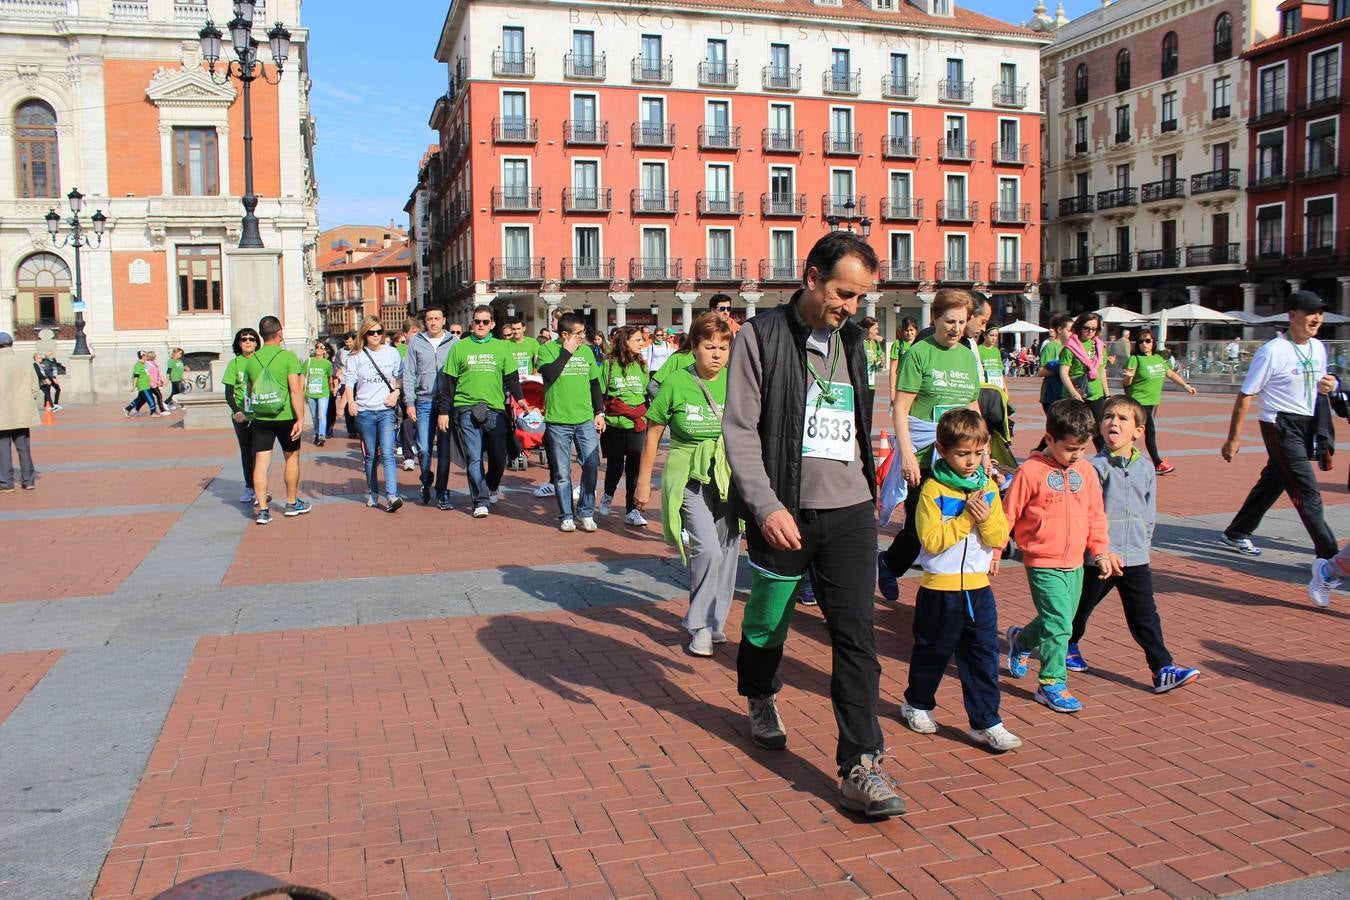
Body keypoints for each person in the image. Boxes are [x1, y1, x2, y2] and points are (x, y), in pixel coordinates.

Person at [723, 231, 905, 818]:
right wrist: (766, 505)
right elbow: (741, 431)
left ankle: (861, 764)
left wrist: (873, 495)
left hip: (849, 511)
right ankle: (758, 692)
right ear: (811, 277)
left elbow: (852, 421)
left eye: (860, 298)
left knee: (857, 636)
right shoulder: (759, 337)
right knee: (767, 626)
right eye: (843, 293)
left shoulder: (852, 341)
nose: (851, 308)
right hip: (784, 510)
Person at [899, 409, 1020, 752]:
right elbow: (932, 539)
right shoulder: (932, 490)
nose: (972, 462)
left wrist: (983, 521)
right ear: (942, 449)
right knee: (933, 652)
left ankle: (987, 722)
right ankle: (917, 703)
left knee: (982, 655)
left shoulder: (988, 487)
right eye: (963, 454)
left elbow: (999, 535)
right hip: (940, 589)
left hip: (979, 589)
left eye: (978, 453)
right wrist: (967, 519)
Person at [1068, 396, 1201, 692]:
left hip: (1135, 556)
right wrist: (1098, 551)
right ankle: (1050, 641)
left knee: (1144, 615)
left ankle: (1161, 668)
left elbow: (1149, 510)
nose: (1113, 422)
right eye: (1108, 417)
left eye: (1122, 419)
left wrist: (1145, 544)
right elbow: (1088, 514)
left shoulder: (1145, 468)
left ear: (1139, 431)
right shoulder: (1092, 467)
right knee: (1077, 608)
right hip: (1101, 557)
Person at [1002, 399, 1119, 713]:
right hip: (1042, 559)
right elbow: (1008, 513)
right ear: (1049, 438)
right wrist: (995, 547)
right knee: (1059, 624)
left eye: (1081, 449)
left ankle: (1022, 641)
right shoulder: (1031, 471)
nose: (1075, 455)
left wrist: (1101, 551)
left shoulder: (1086, 471)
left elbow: (1096, 514)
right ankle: (1051, 682)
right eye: (1069, 449)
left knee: (1060, 619)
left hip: (1076, 560)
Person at [636, 311, 737, 656]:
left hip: (726, 474)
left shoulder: (737, 380)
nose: (716, 354)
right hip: (687, 475)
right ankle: (699, 625)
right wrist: (643, 484)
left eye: (723, 347)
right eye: (709, 346)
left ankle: (714, 622)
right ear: (694, 346)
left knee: (726, 551)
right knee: (707, 548)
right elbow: (652, 435)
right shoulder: (677, 382)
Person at [877, 290, 982, 604]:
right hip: (924, 453)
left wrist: (983, 450)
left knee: (956, 519)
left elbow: (972, 403)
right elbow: (901, 408)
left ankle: (946, 589)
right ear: (935, 317)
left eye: (962, 322)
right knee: (919, 525)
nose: (955, 329)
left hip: (960, 454)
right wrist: (907, 454)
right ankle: (889, 564)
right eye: (950, 321)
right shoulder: (920, 352)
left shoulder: (966, 355)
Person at [1221, 290, 1338, 561]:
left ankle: (1238, 531)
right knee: (1305, 488)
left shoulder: (1318, 347)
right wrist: (1233, 438)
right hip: (1279, 424)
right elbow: (1246, 394)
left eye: (1319, 313)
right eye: (1310, 312)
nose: (1316, 318)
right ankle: (1330, 557)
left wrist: (1329, 385)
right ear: (1292, 316)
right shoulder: (1273, 351)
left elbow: (1320, 382)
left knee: (1275, 479)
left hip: (1306, 422)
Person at [436, 304, 523, 519]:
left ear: (492, 324)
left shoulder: (502, 347)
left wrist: (520, 399)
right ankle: (480, 500)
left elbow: (511, 379)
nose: (481, 325)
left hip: (495, 409)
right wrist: (444, 411)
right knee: (474, 457)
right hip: (465, 408)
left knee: (498, 457)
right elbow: (449, 384)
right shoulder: (459, 347)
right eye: (477, 321)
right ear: (472, 323)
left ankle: (491, 485)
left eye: (485, 321)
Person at [538, 312, 605, 532]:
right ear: (565, 334)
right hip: (558, 421)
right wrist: (567, 352)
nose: (582, 337)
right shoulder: (547, 349)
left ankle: (585, 511)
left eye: (583, 332)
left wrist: (599, 411)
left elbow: (595, 383)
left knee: (592, 463)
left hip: (584, 419)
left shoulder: (586, 351)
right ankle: (566, 515)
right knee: (562, 472)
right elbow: (549, 374)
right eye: (578, 334)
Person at [243, 315, 312, 524]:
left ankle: (263, 510)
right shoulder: (288, 357)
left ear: (261, 336)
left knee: (261, 463)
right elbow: (295, 390)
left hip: (261, 417)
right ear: (279, 333)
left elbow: (250, 390)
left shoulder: (251, 360)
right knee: (291, 457)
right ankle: (291, 503)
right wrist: (301, 418)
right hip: (285, 416)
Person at [345, 316, 404, 512]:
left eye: (379, 331)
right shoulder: (355, 356)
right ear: (364, 334)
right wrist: (351, 402)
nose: (376, 335)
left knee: (387, 453)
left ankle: (392, 496)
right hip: (364, 411)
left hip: (386, 410)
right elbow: (349, 382)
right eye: (372, 332)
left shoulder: (392, 353)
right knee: (371, 456)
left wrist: (396, 393)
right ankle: (372, 493)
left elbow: (400, 378)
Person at [1121, 327, 1196, 475]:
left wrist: (1186, 385)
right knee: (1150, 431)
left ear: (1153, 342)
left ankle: (1119, 457)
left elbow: (1170, 374)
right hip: (1138, 401)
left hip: (1152, 402)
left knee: (1134, 432)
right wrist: (1128, 376)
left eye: (1147, 341)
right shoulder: (1135, 359)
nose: (1144, 344)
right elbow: (1126, 383)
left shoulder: (1158, 359)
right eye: (1141, 341)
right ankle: (1157, 463)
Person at [403, 307, 457, 508]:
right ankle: (426, 480)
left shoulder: (454, 342)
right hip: (424, 401)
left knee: (444, 451)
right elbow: (408, 373)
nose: (433, 322)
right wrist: (409, 402)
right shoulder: (416, 342)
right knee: (424, 448)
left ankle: (442, 492)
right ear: (424, 322)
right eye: (429, 319)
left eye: (436, 318)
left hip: (446, 403)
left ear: (444, 320)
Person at [599, 325, 650, 526]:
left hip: (638, 422)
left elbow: (647, 392)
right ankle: (608, 494)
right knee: (615, 465)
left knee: (634, 468)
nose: (641, 343)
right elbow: (600, 391)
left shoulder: (643, 365)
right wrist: (600, 414)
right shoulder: (609, 364)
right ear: (625, 342)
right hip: (615, 423)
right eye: (637, 340)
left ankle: (631, 510)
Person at [222, 328, 262, 504]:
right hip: (242, 416)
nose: (248, 342)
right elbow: (229, 392)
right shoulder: (234, 364)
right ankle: (249, 487)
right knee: (246, 452)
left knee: (260, 453)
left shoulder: (261, 361)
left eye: (252, 339)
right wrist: (237, 411)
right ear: (238, 343)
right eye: (243, 339)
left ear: (257, 342)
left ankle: (260, 487)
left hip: (260, 414)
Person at [1060, 312, 1110, 451]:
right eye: (1086, 328)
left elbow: (1102, 371)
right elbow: (1063, 372)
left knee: (1099, 429)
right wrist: (1073, 392)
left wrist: (1107, 394)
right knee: (1075, 429)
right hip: (1076, 394)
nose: (1090, 332)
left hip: (1096, 394)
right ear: (1079, 327)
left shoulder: (1100, 346)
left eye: (1094, 329)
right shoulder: (1071, 346)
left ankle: (1105, 458)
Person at [0, 332, 39, 491]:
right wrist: (28, 403)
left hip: (2, 412)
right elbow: (34, 388)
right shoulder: (24, 362)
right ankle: (28, 480)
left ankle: (6, 482)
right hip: (22, 411)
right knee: (23, 447)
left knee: (3, 449)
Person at [1031, 314, 1072, 453]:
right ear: (1060, 330)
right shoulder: (1051, 346)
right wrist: (1061, 369)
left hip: (1064, 392)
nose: (1071, 333)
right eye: (1069, 330)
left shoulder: (1071, 347)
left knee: (1061, 426)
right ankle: (1040, 451)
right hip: (1051, 394)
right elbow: (1041, 371)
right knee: (1057, 426)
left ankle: (1042, 451)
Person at [303, 341, 334, 447]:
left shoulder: (327, 363)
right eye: (317, 347)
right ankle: (317, 433)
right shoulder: (308, 362)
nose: (319, 349)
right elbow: (302, 376)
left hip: (323, 393)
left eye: (322, 347)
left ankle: (321, 436)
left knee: (322, 415)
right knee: (315, 417)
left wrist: (331, 389)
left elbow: (330, 377)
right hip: (310, 393)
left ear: (325, 350)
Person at [887, 316, 918, 408]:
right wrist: (892, 393)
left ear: (916, 330)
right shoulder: (898, 344)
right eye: (906, 330)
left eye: (912, 330)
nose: (909, 333)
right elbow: (893, 370)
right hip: (902, 385)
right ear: (902, 331)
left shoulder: (920, 344)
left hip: (916, 385)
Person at [859, 316, 886, 413]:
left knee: (868, 413)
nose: (877, 332)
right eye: (875, 329)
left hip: (871, 385)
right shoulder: (858, 343)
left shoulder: (875, 344)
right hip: (859, 384)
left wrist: (881, 364)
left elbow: (877, 367)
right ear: (866, 330)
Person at [335, 331, 358, 437]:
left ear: (354, 340)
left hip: (358, 381)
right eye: (346, 342)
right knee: (348, 405)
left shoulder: (359, 350)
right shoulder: (340, 352)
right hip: (345, 381)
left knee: (358, 404)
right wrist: (338, 374)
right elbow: (337, 365)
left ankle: (359, 427)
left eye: (350, 342)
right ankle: (351, 430)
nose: (348, 344)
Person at [123, 352, 158, 417]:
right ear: (142, 356)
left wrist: (156, 382)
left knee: (140, 399)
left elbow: (148, 375)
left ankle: (127, 409)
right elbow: (136, 376)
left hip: (146, 385)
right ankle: (153, 412)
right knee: (151, 399)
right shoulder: (138, 365)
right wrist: (134, 386)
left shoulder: (144, 365)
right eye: (146, 356)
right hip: (142, 385)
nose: (147, 357)